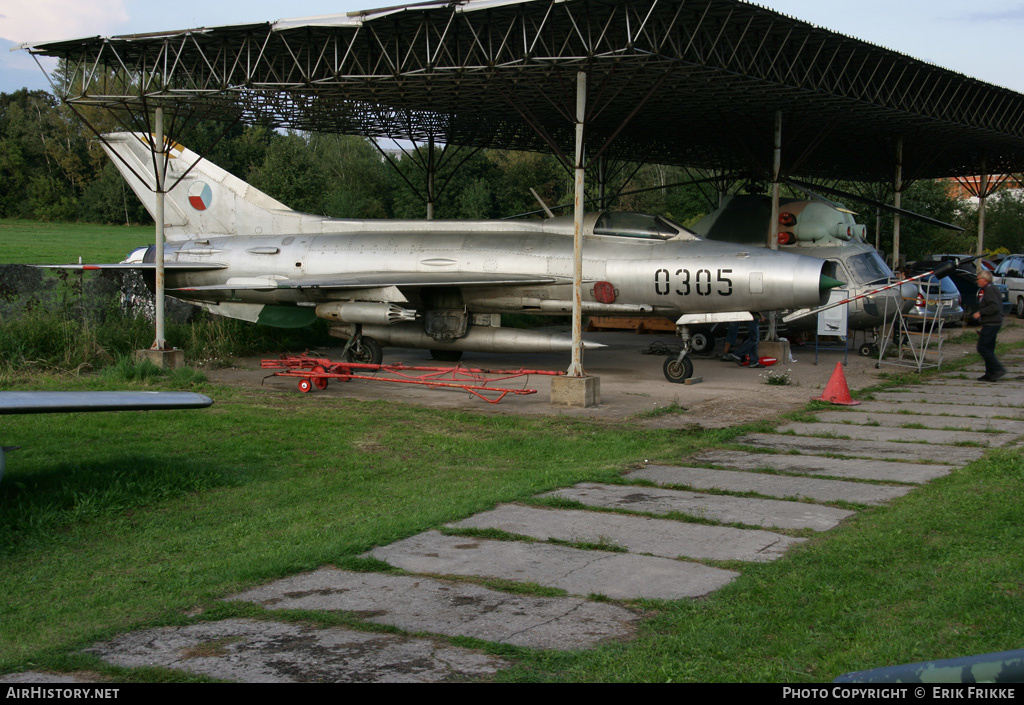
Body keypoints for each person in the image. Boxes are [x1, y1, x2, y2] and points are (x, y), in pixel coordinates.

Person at [972, 270, 1005, 382]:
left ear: (984, 280)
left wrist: (981, 312)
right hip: (992, 323)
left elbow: (994, 306)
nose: (977, 281)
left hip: (991, 323)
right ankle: (990, 373)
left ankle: (997, 369)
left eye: (978, 279)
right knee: (989, 349)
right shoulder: (990, 288)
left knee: (983, 347)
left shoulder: (990, 290)